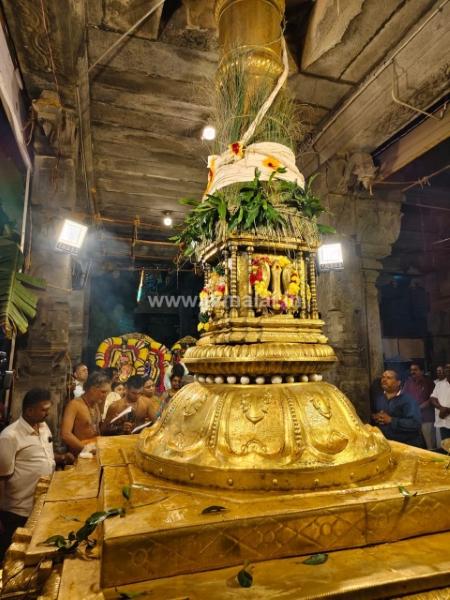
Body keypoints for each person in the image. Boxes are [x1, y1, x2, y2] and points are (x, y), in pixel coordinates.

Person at [0, 389, 74, 560]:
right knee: (11, 556)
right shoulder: (9, 437)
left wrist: (62, 457)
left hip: (40, 504)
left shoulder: (43, 427)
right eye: (43, 410)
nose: (48, 413)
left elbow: (44, 456)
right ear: (29, 411)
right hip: (17, 510)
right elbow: (1, 477)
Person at [61, 371, 110, 455]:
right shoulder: (74, 405)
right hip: (80, 454)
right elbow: (65, 434)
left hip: (95, 450)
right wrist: (86, 449)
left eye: (106, 392)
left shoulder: (96, 404)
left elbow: (96, 429)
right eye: (103, 392)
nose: (105, 395)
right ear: (92, 389)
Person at [372, 370, 423, 448]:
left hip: (406, 446)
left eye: (389, 378)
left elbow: (415, 423)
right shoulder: (379, 399)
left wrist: (391, 420)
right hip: (387, 445)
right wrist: (376, 417)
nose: (384, 380)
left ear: (398, 382)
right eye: (383, 377)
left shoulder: (408, 400)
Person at [403, 363, 435, 449]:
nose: (412, 372)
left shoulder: (429, 382)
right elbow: (404, 398)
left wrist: (419, 407)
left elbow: (432, 398)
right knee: (416, 446)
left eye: (415, 370)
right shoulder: (408, 383)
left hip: (426, 418)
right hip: (413, 419)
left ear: (422, 371)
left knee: (430, 445)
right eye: (411, 370)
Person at [430, 364, 450, 442]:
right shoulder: (439, 384)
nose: (448, 369)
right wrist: (441, 408)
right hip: (443, 423)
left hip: (444, 416)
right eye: (447, 368)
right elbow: (432, 398)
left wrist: (446, 410)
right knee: (446, 446)